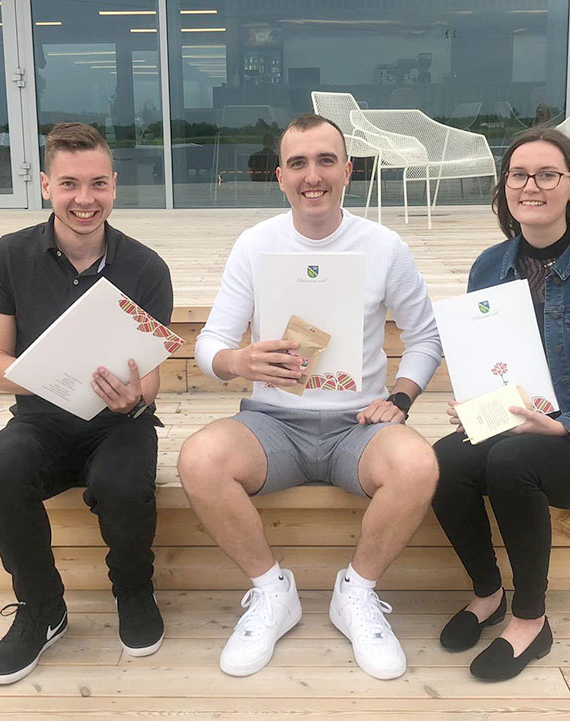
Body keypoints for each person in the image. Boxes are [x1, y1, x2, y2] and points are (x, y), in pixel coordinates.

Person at [177, 113, 442, 681]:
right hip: (273, 422)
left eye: (326, 161)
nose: (312, 175)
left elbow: (425, 337)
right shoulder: (256, 244)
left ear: (348, 170)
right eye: (298, 163)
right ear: (280, 176)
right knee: (199, 458)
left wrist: (400, 398)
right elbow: (211, 343)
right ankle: (273, 591)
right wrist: (237, 362)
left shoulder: (384, 246)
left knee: (419, 463)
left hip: (359, 424)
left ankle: (357, 592)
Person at [431, 128, 570, 681]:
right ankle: (488, 593)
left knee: (512, 460)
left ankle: (531, 619)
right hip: (514, 426)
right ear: (505, 187)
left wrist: (563, 427)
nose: (530, 186)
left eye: (547, 174)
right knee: (441, 460)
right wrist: (476, 404)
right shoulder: (488, 266)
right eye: (518, 174)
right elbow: (490, 359)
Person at [0, 122, 173, 684]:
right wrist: (52, 379)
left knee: (122, 483)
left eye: (97, 184)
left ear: (114, 185)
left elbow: (151, 381)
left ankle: (134, 591)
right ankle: (42, 608)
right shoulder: (5, 258)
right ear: (45, 186)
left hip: (119, 421)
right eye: (69, 184)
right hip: (42, 417)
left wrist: (133, 398)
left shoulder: (147, 268)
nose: (85, 199)